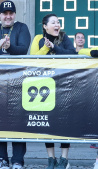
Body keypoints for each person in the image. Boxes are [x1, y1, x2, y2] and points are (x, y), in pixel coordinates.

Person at [0, 0, 31, 169]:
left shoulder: (22, 27)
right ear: (0, 14)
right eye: (5, 13)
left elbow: (23, 49)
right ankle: (0, 159)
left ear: (14, 15)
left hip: (18, 79)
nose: (8, 16)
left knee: (18, 120)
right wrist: (0, 44)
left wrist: (9, 48)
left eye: (11, 13)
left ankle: (18, 160)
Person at [30, 14, 76, 169]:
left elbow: (72, 54)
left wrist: (55, 48)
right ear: (45, 26)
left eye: (58, 22)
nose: (57, 25)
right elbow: (32, 59)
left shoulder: (64, 37)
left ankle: (64, 159)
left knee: (64, 121)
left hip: (64, 84)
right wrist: (45, 47)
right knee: (46, 121)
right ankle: (51, 158)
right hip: (45, 87)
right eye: (53, 22)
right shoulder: (38, 39)